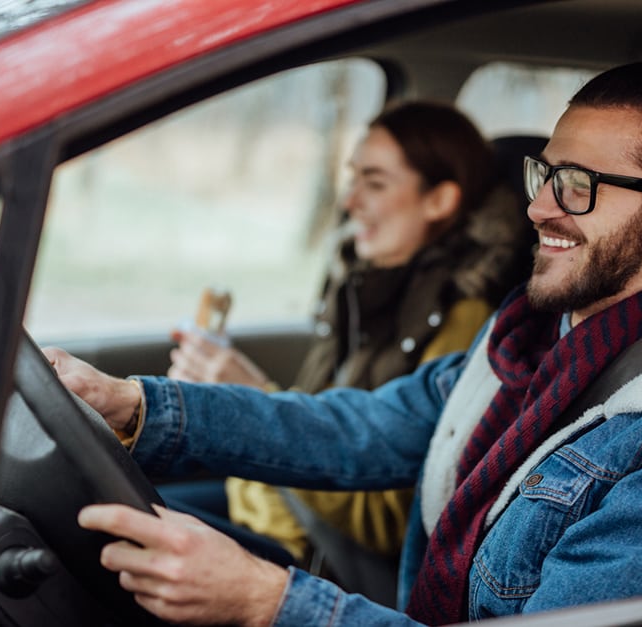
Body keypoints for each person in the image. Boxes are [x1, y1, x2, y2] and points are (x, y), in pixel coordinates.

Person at [47, 61, 642, 626]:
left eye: (576, 183)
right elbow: (362, 428)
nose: (538, 206)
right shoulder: (532, 337)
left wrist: (268, 599)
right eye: (544, 173)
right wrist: (140, 404)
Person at [160, 100, 533, 570]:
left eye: (374, 183)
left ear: (439, 200)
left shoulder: (464, 328)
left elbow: (387, 525)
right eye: (352, 177)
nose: (350, 201)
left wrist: (255, 396)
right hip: (279, 511)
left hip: (325, 562)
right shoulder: (359, 290)